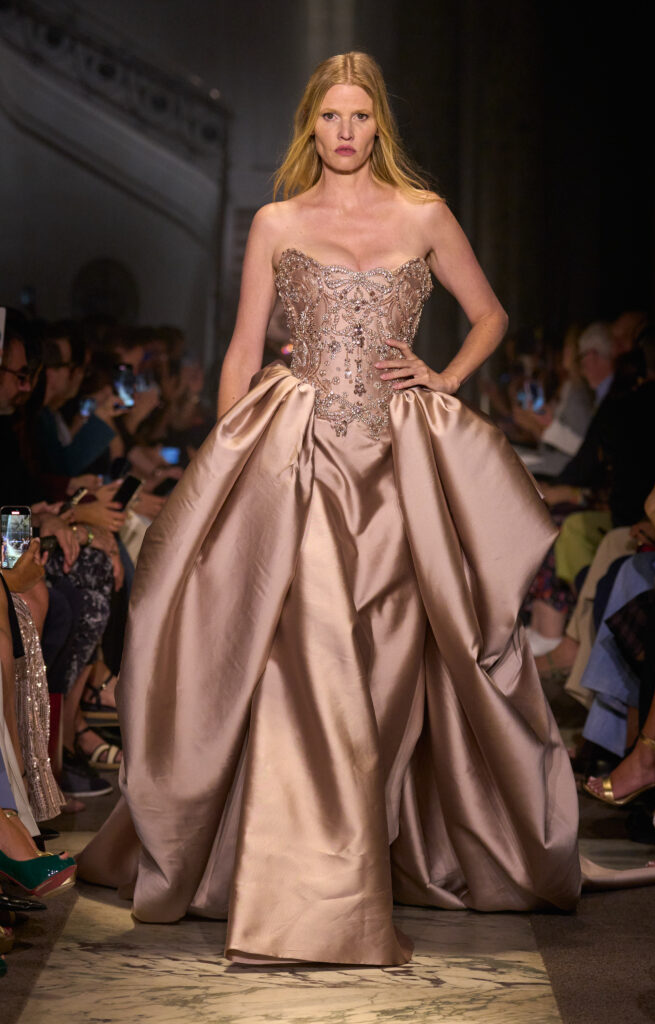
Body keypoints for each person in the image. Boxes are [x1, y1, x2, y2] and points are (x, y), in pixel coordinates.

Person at [79, 51, 591, 967]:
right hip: (300, 457)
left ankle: (362, 851)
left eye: (359, 116)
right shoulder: (277, 221)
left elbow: (490, 315)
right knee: (304, 659)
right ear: (309, 125)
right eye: (330, 117)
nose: (345, 132)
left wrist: (444, 377)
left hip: (398, 468)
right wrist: (227, 466)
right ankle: (311, 885)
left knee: (387, 666)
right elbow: (243, 347)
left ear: (377, 122)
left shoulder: (423, 214)